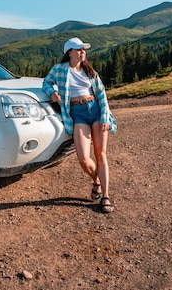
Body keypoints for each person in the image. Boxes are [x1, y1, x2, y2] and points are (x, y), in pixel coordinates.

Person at [43, 37, 117, 213]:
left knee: (101, 154)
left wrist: (105, 116)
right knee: (83, 157)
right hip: (77, 114)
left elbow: (102, 95)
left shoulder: (90, 71)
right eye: (78, 49)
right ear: (69, 52)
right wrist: (52, 93)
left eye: (83, 49)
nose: (82, 52)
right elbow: (46, 82)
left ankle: (105, 196)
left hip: (96, 110)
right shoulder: (59, 70)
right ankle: (97, 180)